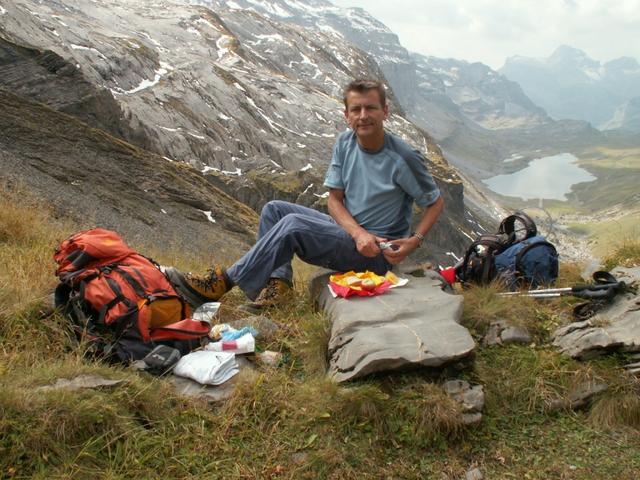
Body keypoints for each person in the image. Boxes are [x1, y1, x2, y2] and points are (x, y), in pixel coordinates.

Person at [166, 79, 444, 312]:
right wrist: (356, 232)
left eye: (370, 108)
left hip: (375, 253)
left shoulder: (403, 157)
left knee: (293, 226)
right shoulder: (345, 143)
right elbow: (334, 200)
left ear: (385, 111)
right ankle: (279, 288)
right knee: (274, 210)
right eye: (356, 109)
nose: (363, 116)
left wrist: (413, 241)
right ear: (346, 115)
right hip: (351, 235)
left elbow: (435, 201)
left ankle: (221, 283)